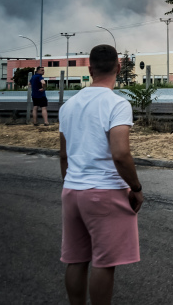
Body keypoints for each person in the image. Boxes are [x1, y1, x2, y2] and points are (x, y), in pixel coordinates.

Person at [59, 44, 144, 305]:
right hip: (104, 192)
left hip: (72, 191)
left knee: (76, 259)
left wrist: (71, 183)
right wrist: (136, 188)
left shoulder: (68, 106)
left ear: (90, 69)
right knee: (104, 262)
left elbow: (63, 155)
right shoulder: (117, 104)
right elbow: (120, 154)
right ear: (118, 67)